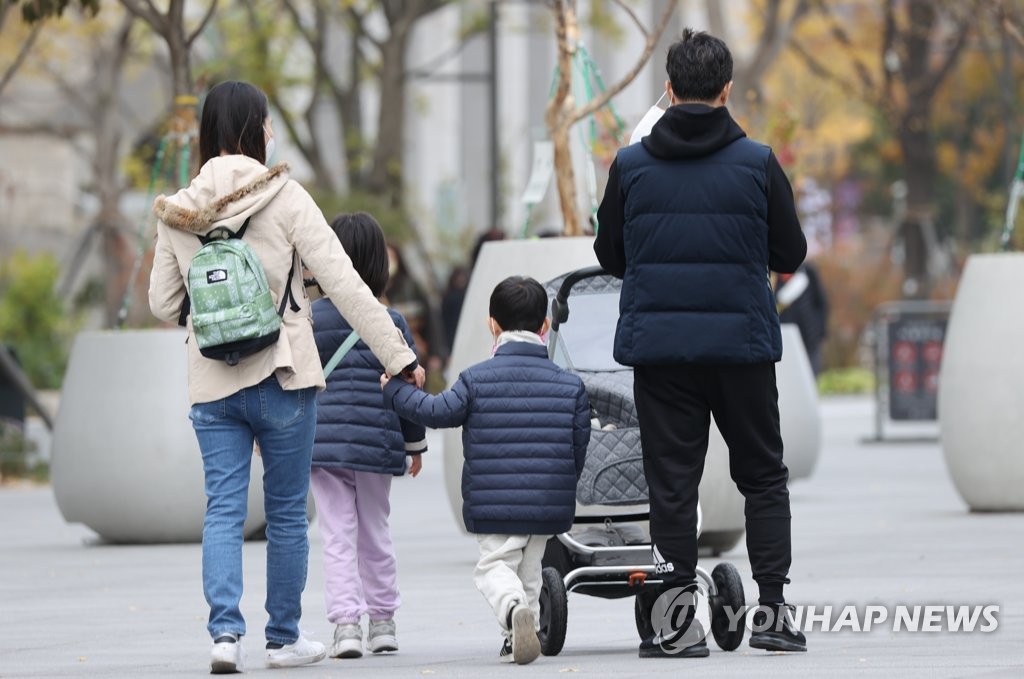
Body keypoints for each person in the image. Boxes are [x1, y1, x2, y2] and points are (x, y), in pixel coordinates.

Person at [148, 80, 424, 674]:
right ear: (255, 128)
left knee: (222, 509)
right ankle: (282, 638)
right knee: (287, 513)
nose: (272, 133)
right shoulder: (286, 196)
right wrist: (398, 354)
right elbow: (348, 284)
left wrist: (212, 312)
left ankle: (225, 637)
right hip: (284, 376)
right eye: (268, 123)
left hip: (213, 382)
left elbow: (161, 302)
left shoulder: (177, 210)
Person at [593, 29, 808, 657]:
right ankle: (773, 614)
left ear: (667, 88)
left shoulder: (630, 167)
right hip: (741, 347)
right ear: (725, 90)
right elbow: (790, 252)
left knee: (671, 483)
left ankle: (677, 624)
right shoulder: (759, 162)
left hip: (662, 353)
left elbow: (610, 253)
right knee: (763, 476)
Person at [380, 276, 590, 665]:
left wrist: (394, 390)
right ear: (544, 326)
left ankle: (513, 612)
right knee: (529, 571)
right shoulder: (570, 385)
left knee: (494, 567)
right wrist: (561, 484)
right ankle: (518, 636)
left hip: (495, 501)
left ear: (492, 324)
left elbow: (435, 411)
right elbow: (578, 446)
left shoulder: (476, 380)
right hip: (548, 501)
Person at [309, 212, 427, 659]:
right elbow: (409, 384)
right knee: (375, 531)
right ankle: (382, 622)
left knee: (337, 535)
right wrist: (413, 444)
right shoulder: (391, 319)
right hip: (377, 443)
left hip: (324, 445)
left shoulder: (312, 321)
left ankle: (345, 628)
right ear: (380, 265)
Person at [777, 261, 829, 376]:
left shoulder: (808, 272)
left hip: (810, 337)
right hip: (785, 339)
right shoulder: (774, 277)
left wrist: (820, 331)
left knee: (811, 374)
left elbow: (821, 303)